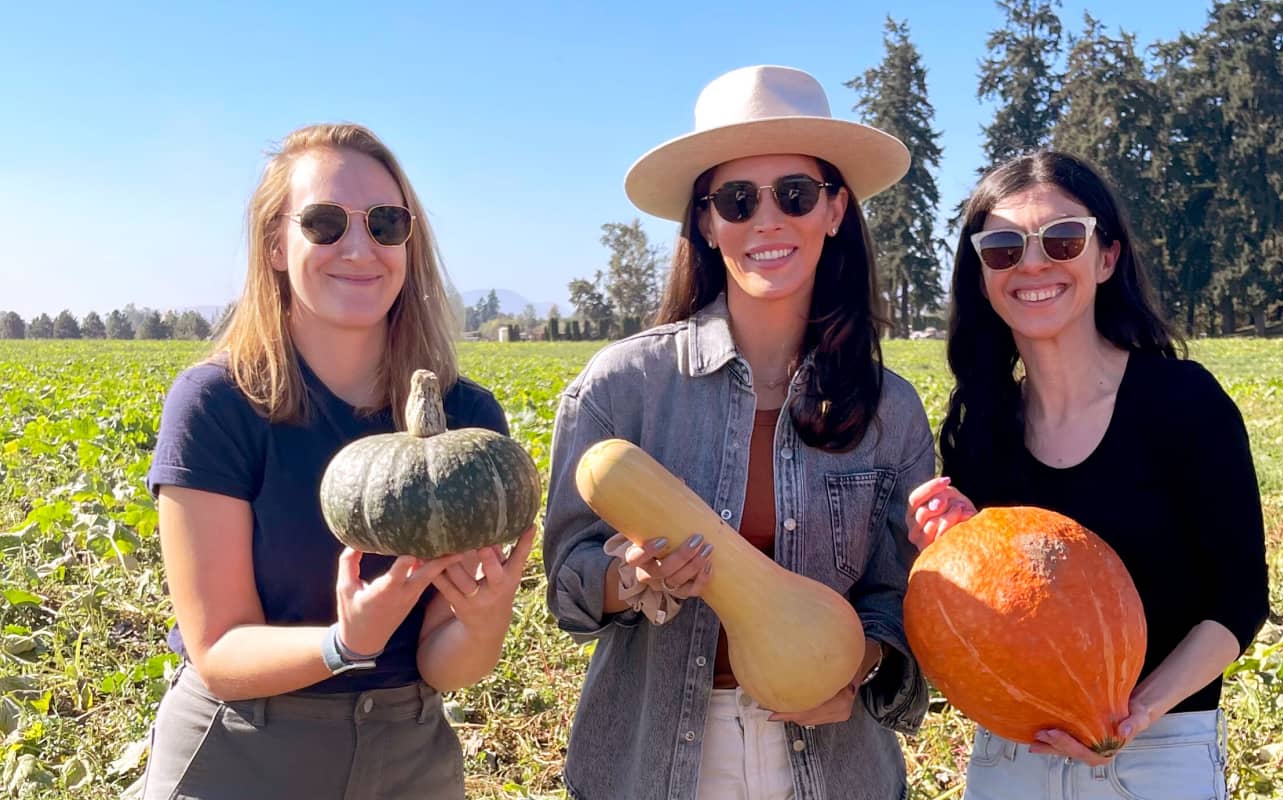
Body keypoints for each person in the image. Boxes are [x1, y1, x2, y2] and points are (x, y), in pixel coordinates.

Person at [542, 65, 934, 800]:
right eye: (736, 200)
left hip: (836, 764)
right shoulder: (620, 389)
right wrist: (629, 580)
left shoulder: (892, 412)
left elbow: (905, 601)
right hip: (653, 766)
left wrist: (858, 666)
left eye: (795, 195)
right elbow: (565, 584)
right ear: (705, 221)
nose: (766, 221)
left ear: (835, 210)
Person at [139, 123, 534, 800]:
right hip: (242, 749)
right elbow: (221, 652)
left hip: (408, 754)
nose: (359, 247)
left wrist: (486, 616)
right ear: (275, 245)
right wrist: (344, 642)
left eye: (385, 223)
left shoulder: (468, 422)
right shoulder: (217, 405)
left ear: (409, 243)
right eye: (324, 223)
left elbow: (445, 666)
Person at [908, 150, 1269, 799]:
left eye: (1063, 238)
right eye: (1003, 248)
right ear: (982, 274)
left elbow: (1239, 598)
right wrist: (946, 552)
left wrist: (1131, 713)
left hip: (1160, 750)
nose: (1034, 263)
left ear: (1106, 257)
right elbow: (996, 615)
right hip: (1010, 758)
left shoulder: (1183, 404)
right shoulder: (979, 430)